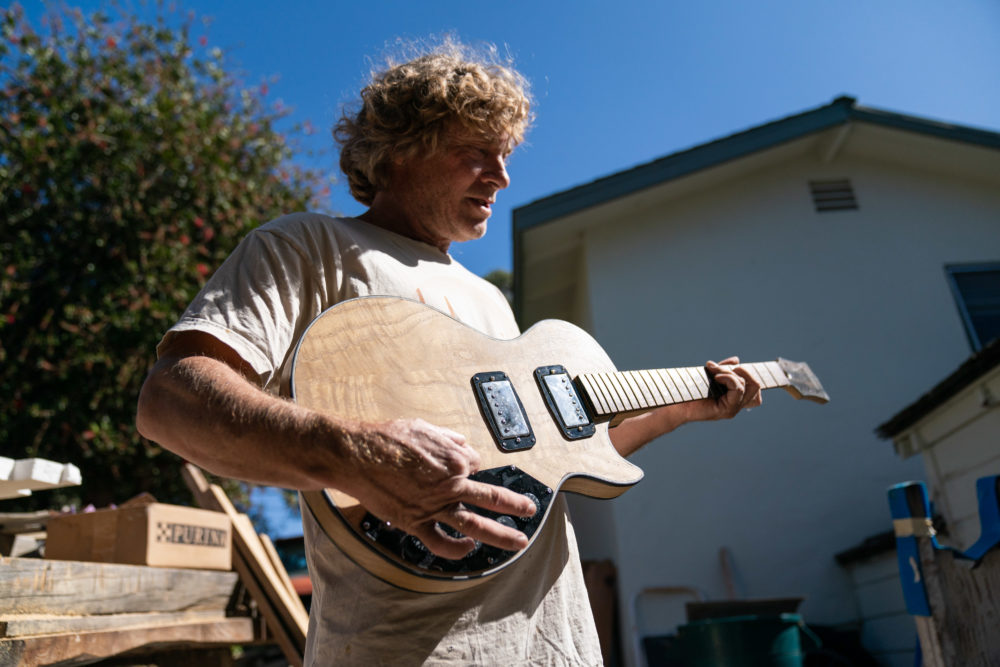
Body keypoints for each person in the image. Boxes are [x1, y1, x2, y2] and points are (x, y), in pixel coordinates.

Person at [136, 39, 762, 666]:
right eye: (475, 153)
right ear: (400, 151)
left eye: (506, 155)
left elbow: (554, 464)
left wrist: (681, 410)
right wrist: (356, 452)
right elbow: (172, 401)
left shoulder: (489, 301)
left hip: (556, 645)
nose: (502, 175)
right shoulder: (307, 246)